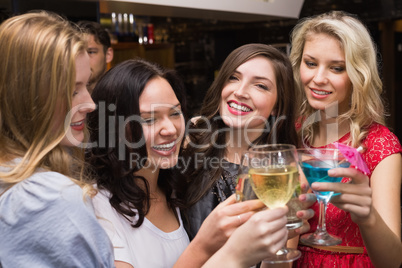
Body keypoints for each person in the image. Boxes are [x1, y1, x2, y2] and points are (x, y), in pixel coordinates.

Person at [87, 58, 290, 268]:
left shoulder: (174, 188)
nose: (171, 130)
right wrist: (205, 247)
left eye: (175, 113)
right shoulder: (96, 208)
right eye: (149, 119)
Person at [0, 11, 114, 267]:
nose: (89, 104)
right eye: (72, 91)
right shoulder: (48, 199)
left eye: (86, 86)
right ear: (27, 97)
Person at [289, 10, 402, 267]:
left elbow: (393, 262)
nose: (318, 78)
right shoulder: (293, 133)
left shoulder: (379, 145)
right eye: (310, 63)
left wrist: (368, 217)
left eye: (336, 68)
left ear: (358, 74)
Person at [180, 43, 315, 243]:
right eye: (233, 78)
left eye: (260, 85)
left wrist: (278, 243)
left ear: (278, 105)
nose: (241, 92)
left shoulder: (287, 174)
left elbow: (282, 262)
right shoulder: (190, 142)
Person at [77, 20, 114, 93]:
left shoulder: (119, 97)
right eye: (78, 53)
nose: (83, 60)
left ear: (108, 55)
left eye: (91, 52)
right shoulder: (62, 99)